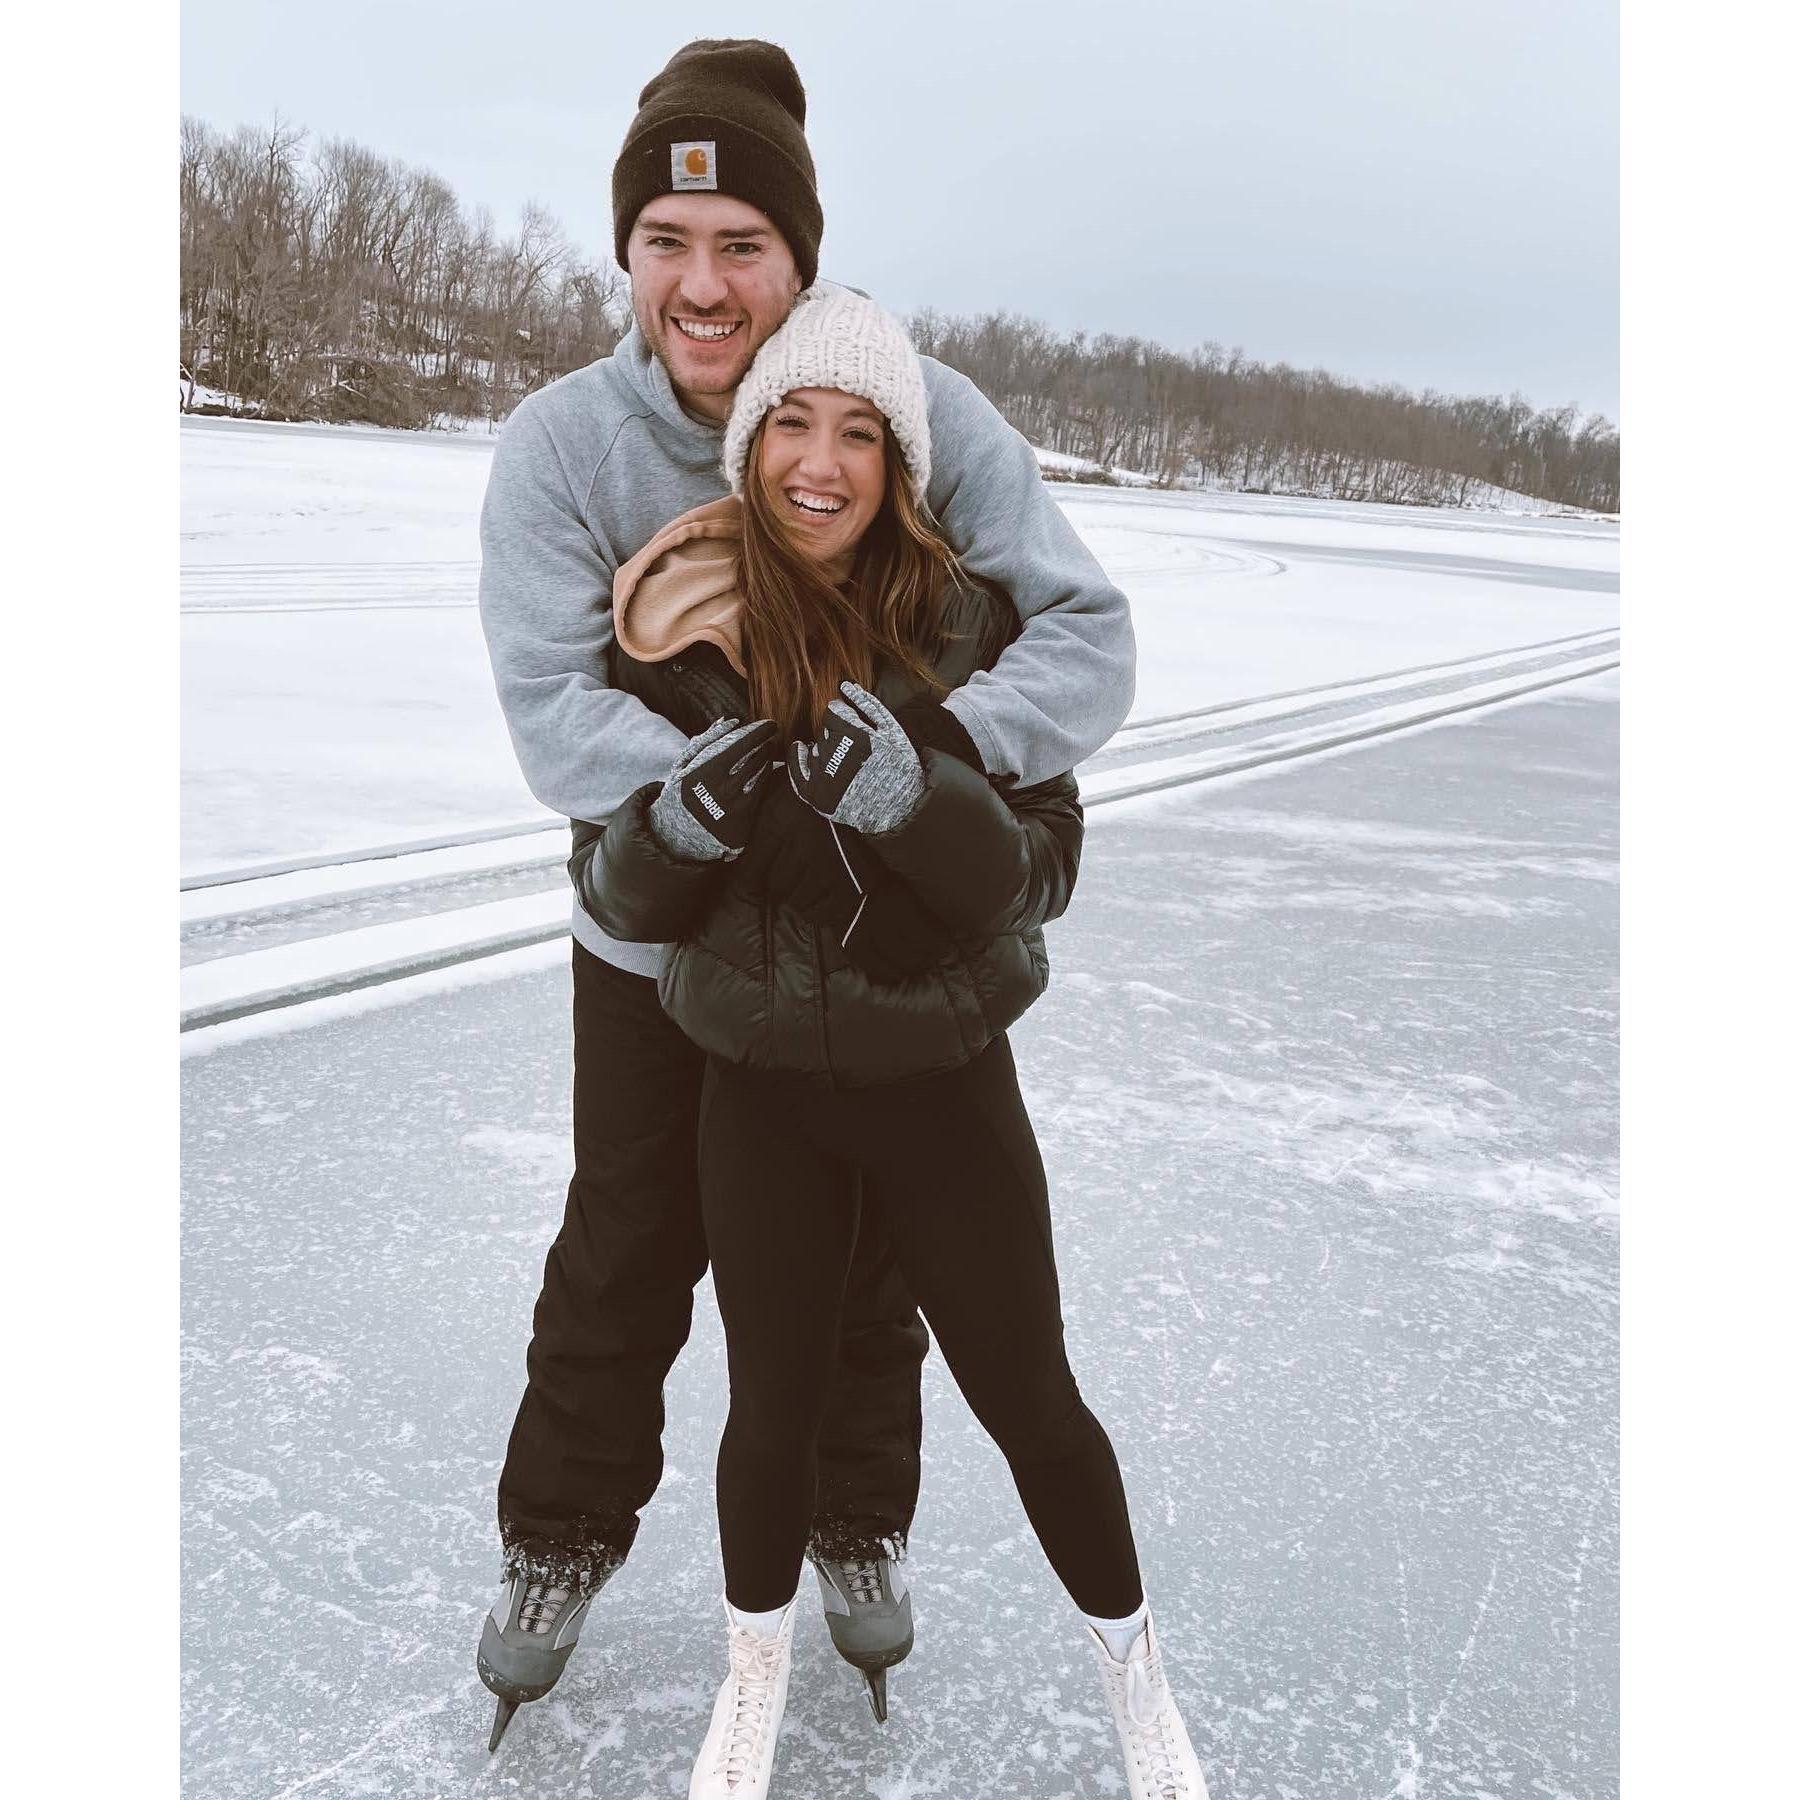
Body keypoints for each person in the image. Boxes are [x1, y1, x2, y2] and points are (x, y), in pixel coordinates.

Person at [474, 37, 1138, 1752]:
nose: (704, 286)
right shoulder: (560, 448)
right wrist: (737, 818)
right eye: (667, 247)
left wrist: (926, 762)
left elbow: (1085, 636)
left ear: (800, 258)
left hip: (866, 946)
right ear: (627, 257)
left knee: (865, 1265)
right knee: (631, 1237)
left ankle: (854, 1519)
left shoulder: (913, 405)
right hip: (655, 928)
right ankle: (560, 1535)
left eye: (744, 247)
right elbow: (558, 718)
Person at [576, 283, 1209, 1800]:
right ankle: (751, 1684)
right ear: (749, 447)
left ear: (900, 464)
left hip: (943, 1089)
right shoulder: (680, 646)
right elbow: (615, 882)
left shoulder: (973, 626)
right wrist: (676, 821)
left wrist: (917, 800)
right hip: (762, 1095)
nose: (820, 459)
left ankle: (1138, 1680)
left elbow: (1041, 864)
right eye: (790, 422)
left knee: (1030, 1397)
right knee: (770, 1406)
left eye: (858, 431)